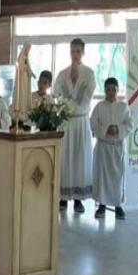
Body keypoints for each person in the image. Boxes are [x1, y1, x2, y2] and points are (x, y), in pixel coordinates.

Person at [53, 38, 96, 213]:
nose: (75, 54)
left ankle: (78, 198)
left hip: (80, 120)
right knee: (65, 158)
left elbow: (87, 96)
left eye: (78, 51)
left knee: (79, 158)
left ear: (83, 52)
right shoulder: (63, 73)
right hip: (66, 123)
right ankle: (63, 196)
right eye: (72, 51)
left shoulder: (89, 73)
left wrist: (71, 100)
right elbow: (56, 92)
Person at [90, 77, 132, 220]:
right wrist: (106, 129)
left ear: (117, 90)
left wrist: (118, 129)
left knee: (117, 179)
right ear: (105, 91)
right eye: (108, 89)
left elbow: (129, 125)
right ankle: (101, 206)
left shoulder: (124, 107)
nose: (111, 92)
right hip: (103, 148)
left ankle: (118, 206)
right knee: (102, 178)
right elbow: (93, 123)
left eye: (113, 89)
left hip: (117, 148)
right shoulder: (99, 107)